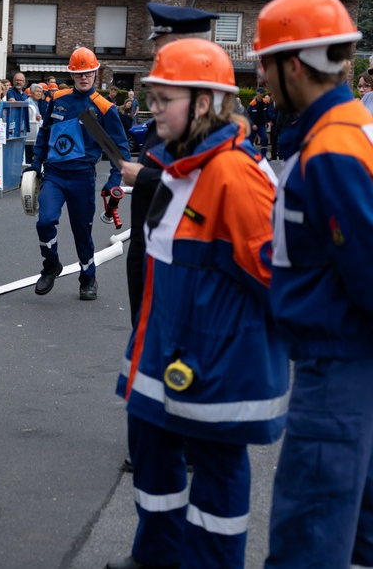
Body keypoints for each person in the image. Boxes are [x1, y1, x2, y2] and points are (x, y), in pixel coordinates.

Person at [109, 38, 286, 569]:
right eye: (153, 96)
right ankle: (156, 559)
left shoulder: (237, 177)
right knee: (155, 468)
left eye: (166, 98)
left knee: (216, 484)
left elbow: (276, 283)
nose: (154, 107)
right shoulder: (179, 167)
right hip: (163, 356)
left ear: (204, 104)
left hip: (213, 368)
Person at [255, 0, 373, 569]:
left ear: (294, 66)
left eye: (265, 61)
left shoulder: (331, 151)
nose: (261, 75)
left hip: (336, 367)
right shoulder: (347, 133)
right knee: (356, 533)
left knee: (309, 535)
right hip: (348, 362)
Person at [119, 2, 219, 322]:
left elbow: (201, 187)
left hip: (173, 254)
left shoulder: (205, 119)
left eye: (160, 48)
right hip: (149, 241)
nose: (154, 55)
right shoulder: (179, 112)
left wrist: (145, 177)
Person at [26, 47, 129, 300]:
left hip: (83, 177)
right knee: (45, 220)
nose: (84, 78)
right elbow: (45, 133)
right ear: (72, 75)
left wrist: (114, 180)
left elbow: (120, 149)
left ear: (96, 72)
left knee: (82, 231)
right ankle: (51, 265)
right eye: (79, 74)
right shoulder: (58, 100)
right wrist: (35, 165)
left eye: (89, 73)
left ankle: (88, 278)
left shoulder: (105, 108)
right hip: (55, 174)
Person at [246, 88, 271, 158]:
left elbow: (267, 113)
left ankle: (263, 156)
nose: (262, 94)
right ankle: (249, 156)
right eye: (260, 93)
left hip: (261, 125)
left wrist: (269, 121)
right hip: (253, 125)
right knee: (250, 141)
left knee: (265, 139)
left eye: (263, 93)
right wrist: (252, 124)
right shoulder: (252, 103)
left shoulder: (265, 102)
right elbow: (248, 115)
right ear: (257, 93)